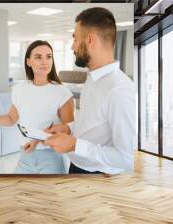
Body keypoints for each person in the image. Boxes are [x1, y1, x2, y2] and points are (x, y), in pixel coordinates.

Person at [44, 7, 136, 175]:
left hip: (97, 176)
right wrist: (68, 129)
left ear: (90, 40)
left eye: (75, 39)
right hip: (77, 166)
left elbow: (126, 158)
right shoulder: (92, 79)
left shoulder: (120, 90)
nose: (72, 47)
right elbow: (91, 123)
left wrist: (74, 145)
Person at [0, 40, 74, 174]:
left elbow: (68, 131)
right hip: (24, 157)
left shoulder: (62, 92)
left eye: (48, 56)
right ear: (28, 62)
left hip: (50, 158)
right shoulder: (19, 89)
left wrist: (37, 140)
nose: (45, 61)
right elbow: (11, 119)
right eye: (38, 57)